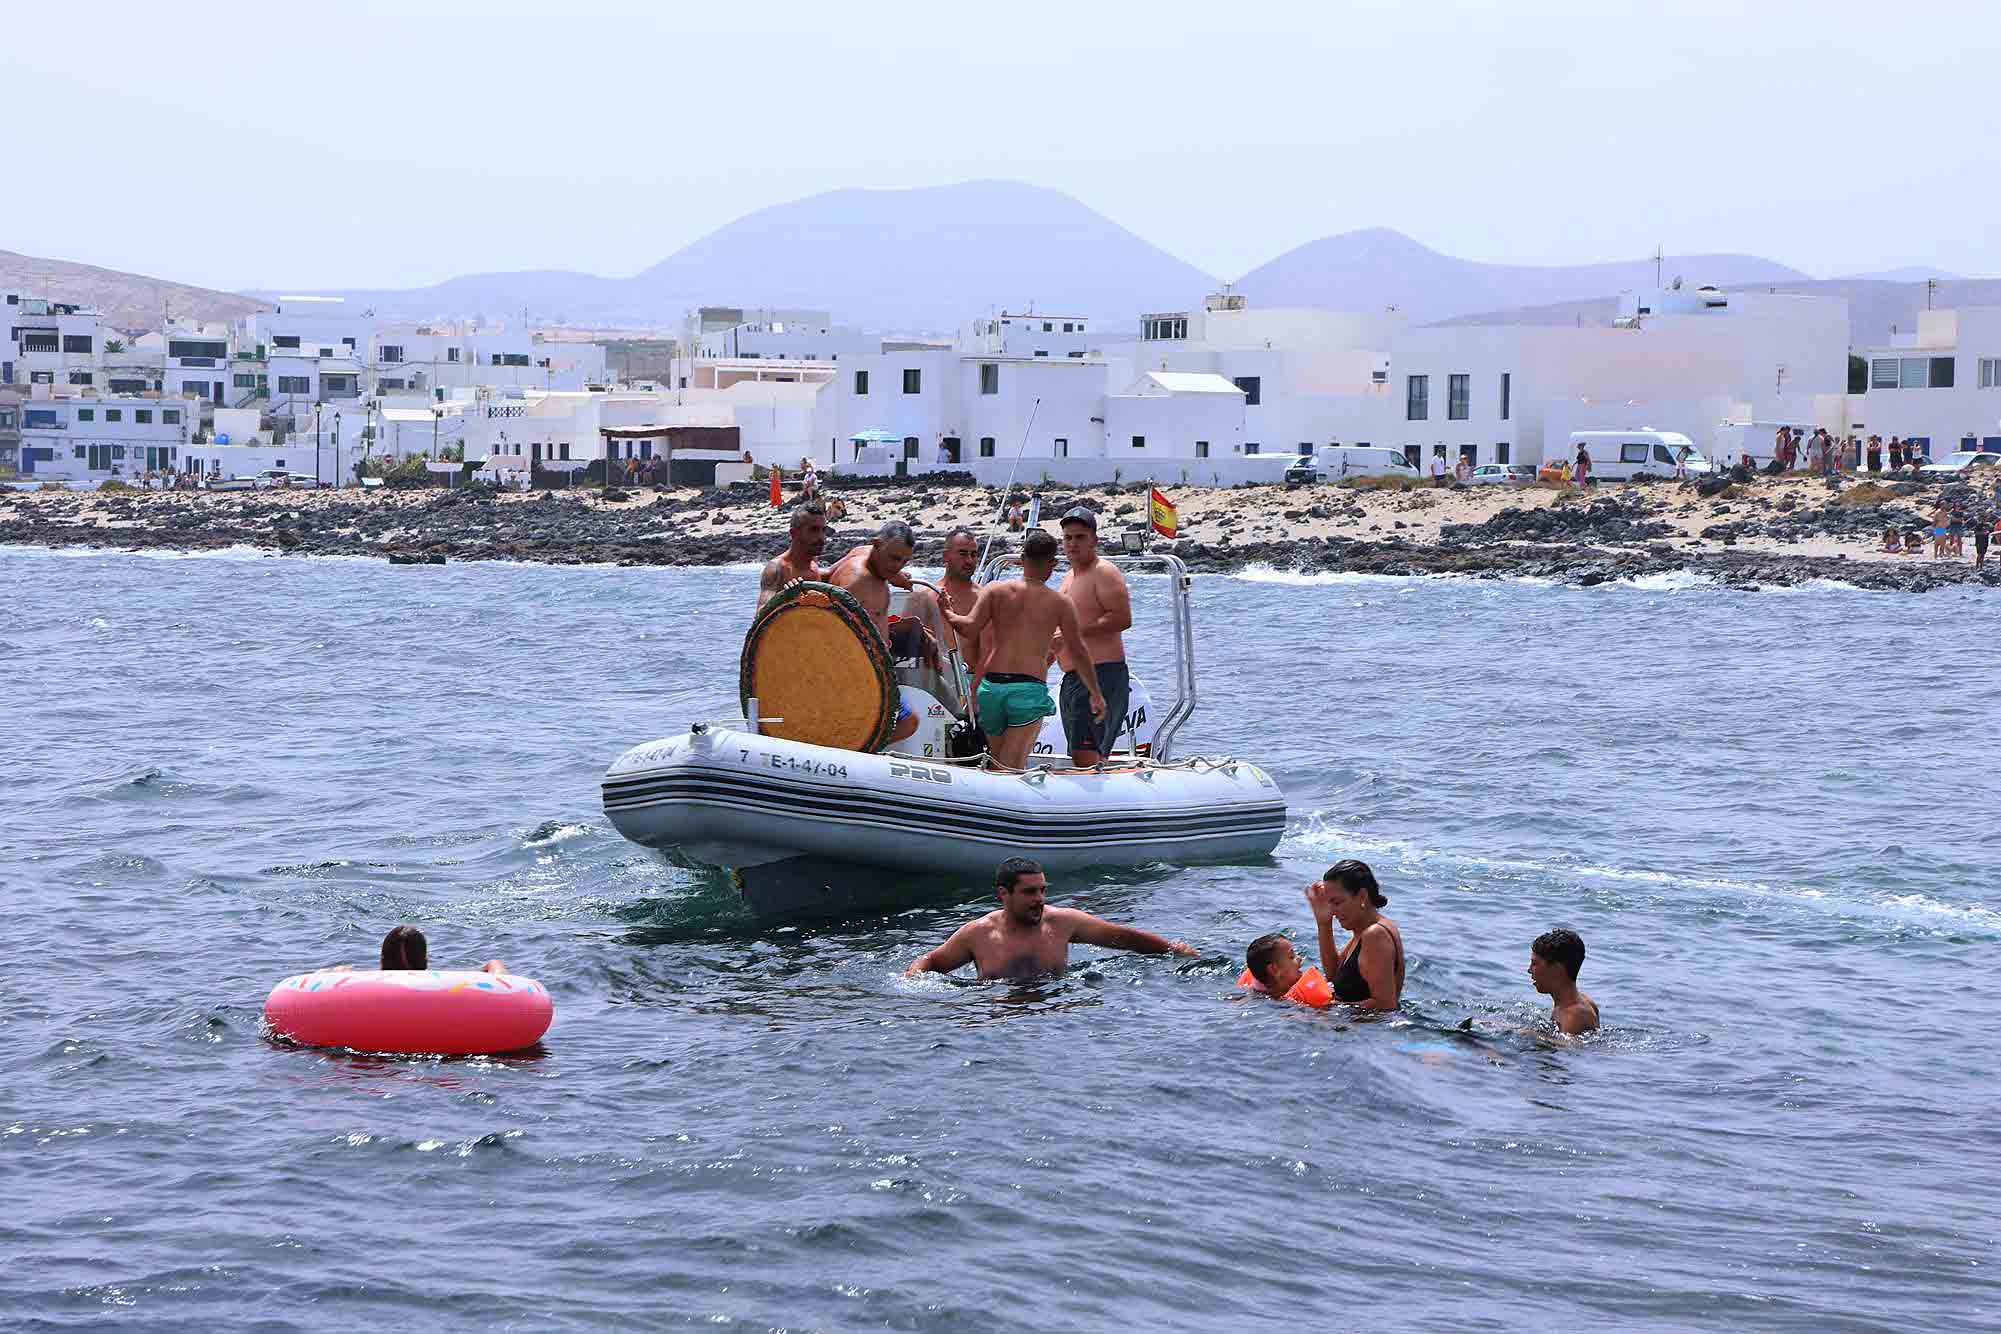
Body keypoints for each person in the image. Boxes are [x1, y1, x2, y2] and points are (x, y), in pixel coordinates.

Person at [944, 529, 1101, 769]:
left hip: (991, 690)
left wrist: (947, 610)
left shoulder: (995, 590)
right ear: (1052, 564)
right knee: (1011, 766)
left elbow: (968, 629)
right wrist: (1096, 694)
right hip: (1026, 691)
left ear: (1021, 559)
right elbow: (1079, 652)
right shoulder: (1059, 602)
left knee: (997, 764)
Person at [902, 856, 1197, 981]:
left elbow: (1123, 937)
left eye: (1042, 890)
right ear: (1004, 894)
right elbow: (932, 962)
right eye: (1030, 892)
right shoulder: (977, 934)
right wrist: (913, 978)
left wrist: (1171, 949)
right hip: (998, 1015)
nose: (1040, 899)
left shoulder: (1063, 922)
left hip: (1056, 1010)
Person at [828, 520, 945, 744]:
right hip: (857, 674)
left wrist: (895, 577)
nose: (899, 566)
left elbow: (829, 573)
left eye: (904, 560)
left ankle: (859, 747)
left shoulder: (864, 555)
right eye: (894, 558)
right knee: (908, 722)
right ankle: (856, 749)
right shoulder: (858, 583)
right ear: (877, 544)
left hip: (874, 669)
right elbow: (834, 634)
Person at [1053, 506, 1132, 766]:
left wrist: (1075, 633)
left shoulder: (1104, 572)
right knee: (1078, 757)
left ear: (1094, 540)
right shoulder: (1068, 578)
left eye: (1080, 537)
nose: (1073, 543)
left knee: (1088, 759)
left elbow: (1121, 618)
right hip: (1073, 679)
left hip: (1102, 676)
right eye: (1068, 538)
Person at [1304, 859, 1404, 1010]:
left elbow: (1385, 1006)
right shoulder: (1364, 931)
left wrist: (1328, 1009)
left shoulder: (1375, 935)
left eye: (1337, 902)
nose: (1331, 911)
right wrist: (1324, 923)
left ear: (1362, 896)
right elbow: (1333, 975)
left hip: (1371, 1031)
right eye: (1329, 903)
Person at [331, 925, 507, 975]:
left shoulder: (363, 985)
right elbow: (497, 969)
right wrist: (493, 964)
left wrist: (339, 973)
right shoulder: (440, 983)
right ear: (425, 960)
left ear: (382, 960)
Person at [755, 499, 828, 613]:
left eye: (823, 530)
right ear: (794, 533)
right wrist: (785, 598)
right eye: (814, 530)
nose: (822, 538)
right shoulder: (776, 569)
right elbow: (760, 613)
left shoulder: (813, 561)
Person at [1528, 928, 1599, 1035]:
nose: (1529, 970)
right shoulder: (1582, 1002)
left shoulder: (1573, 1015)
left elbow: (1570, 1048)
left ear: (1556, 969)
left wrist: (1534, 1036)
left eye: (1534, 964)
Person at [937, 526, 987, 675]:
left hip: (971, 684)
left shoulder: (983, 598)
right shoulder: (925, 596)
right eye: (963, 554)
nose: (969, 560)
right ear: (946, 556)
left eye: (973, 554)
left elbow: (990, 652)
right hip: (934, 686)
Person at [1238, 933, 1333, 1008]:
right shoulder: (1292, 1005)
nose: (1299, 958)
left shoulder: (1253, 995)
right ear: (1274, 969)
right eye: (1291, 957)